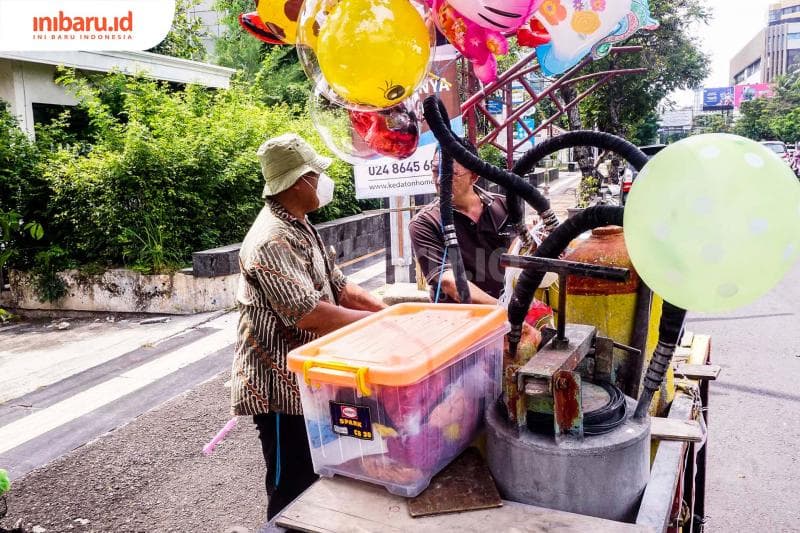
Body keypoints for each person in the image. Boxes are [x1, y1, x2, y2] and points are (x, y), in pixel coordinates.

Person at [231, 133, 387, 520]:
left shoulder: (301, 224)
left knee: (324, 474)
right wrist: (377, 326)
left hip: (310, 382)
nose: (322, 180)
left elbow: (339, 286)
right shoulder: (271, 240)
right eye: (316, 174)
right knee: (291, 485)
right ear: (298, 182)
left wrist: (388, 314)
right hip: (279, 388)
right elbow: (309, 314)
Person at [409, 141, 514, 304]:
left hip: (507, 305)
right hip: (459, 314)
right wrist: (504, 311)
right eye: (435, 171)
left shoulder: (503, 206)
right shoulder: (425, 222)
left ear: (474, 176)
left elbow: (518, 254)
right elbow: (450, 282)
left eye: (450, 173)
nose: (439, 180)